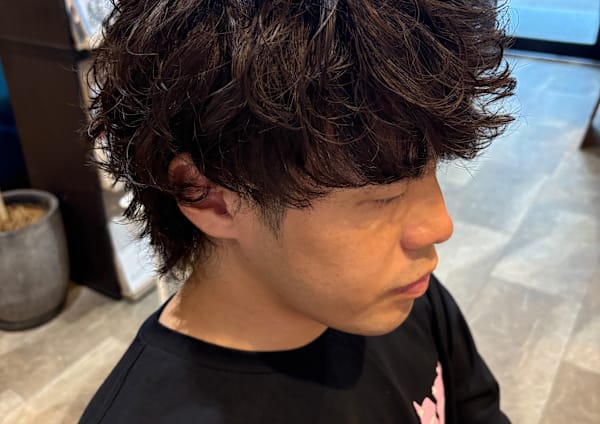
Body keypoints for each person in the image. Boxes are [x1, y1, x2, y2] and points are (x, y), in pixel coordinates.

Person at [80, 0, 515, 422]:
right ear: (209, 196)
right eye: (384, 195)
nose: (440, 225)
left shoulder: (407, 296)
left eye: (435, 169)